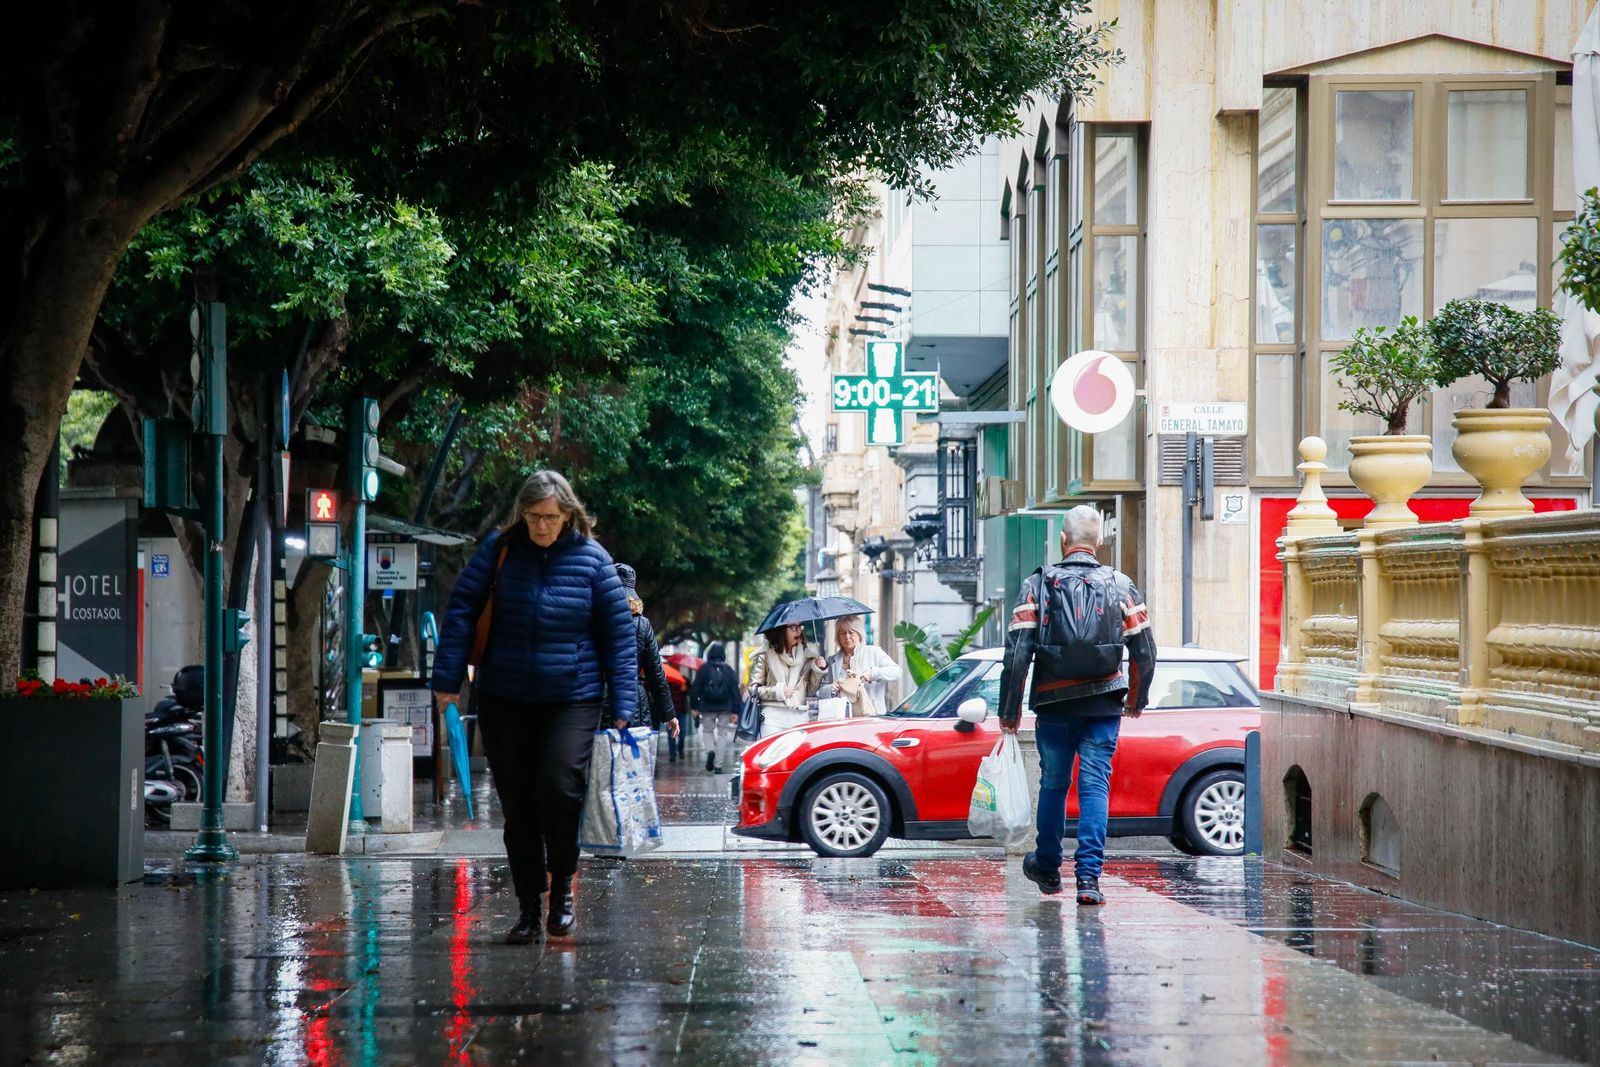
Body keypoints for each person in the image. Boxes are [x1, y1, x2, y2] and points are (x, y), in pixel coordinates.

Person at [432, 470, 637, 945]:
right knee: (518, 805)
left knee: (561, 787)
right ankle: (528, 907)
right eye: (531, 516)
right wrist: (447, 682)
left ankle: (562, 885)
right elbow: (463, 606)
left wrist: (624, 701)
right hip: (506, 694)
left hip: (574, 696)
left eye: (548, 517)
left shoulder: (593, 560)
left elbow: (618, 636)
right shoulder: (501, 549)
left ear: (568, 514)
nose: (540, 526)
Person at [998, 504, 1155, 907]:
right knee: (1094, 786)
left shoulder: (1038, 585)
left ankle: (1048, 867)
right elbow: (1144, 651)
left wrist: (1010, 711)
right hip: (1104, 703)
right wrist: (1135, 699)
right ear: (1099, 541)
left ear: (1063, 541)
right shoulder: (1122, 585)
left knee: (1053, 784)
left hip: (1053, 703)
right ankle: (1089, 878)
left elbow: (1018, 653)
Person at [615, 563, 682, 760]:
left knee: (600, 761)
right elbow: (656, 674)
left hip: (597, 701)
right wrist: (669, 714)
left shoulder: (594, 619)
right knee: (632, 762)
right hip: (634, 702)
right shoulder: (642, 625)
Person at [747, 622, 824, 737]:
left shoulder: (806, 656)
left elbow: (809, 691)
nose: (798, 631)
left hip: (799, 717)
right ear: (781, 629)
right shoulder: (765, 655)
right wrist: (778, 691)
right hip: (772, 718)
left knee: (798, 755)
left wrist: (818, 670)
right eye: (793, 627)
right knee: (773, 755)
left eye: (800, 626)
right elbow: (753, 689)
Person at [816, 614, 902, 717]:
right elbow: (820, 692)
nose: (847, 637)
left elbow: (897, 672)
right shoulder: (832, 660)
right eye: (842, 633)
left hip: (870, 717)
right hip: (841, 719)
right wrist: (831, 689)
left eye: (851, 632)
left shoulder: (873, 652)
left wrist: (873, 673)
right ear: (838, 636)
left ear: (859, 634)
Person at [689, 642, 740, 772]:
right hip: (725, 707)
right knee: (723, 733)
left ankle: (710, 750)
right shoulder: (729, 670)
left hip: (707, 706)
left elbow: (696, 688)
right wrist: (735, 710)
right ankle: (718, 765)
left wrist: (694, 706)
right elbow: (735, 691)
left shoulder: (703, 669)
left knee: (707, 731)